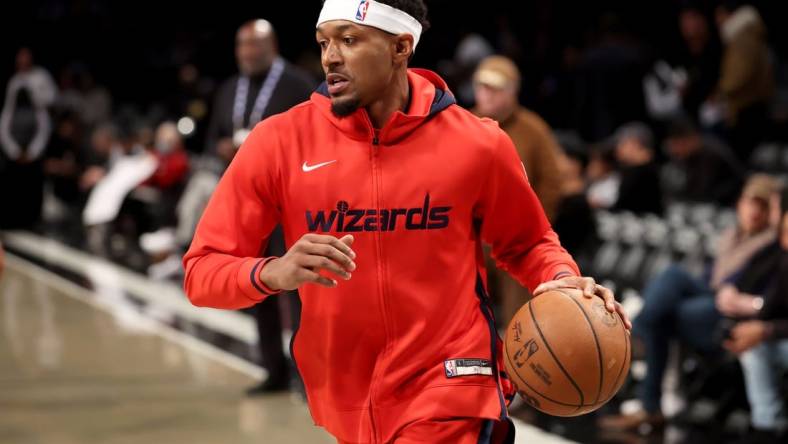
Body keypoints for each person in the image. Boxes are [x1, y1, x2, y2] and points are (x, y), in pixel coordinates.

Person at [183, 1, 631, 443]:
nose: (330, 57)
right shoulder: (279, 142)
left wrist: (561, 278)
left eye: (349, 39)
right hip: (344, 395)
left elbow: (529, 242)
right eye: (324, 42)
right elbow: (201, 272)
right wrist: (272, 272)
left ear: (400, 47)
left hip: (452, 384)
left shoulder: (478, 144)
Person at [600, 174, 780, 431]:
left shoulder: (771, 246)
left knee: (665, 310)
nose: (754, 211)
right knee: (670, 288)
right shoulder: (733, 236)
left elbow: (750, 291)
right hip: (711, 299)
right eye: (751, 203)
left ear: (771, 211)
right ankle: (649, 397)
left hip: (731, 313)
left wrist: (732, 296)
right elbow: (710, 278)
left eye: (762, 206)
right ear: (740, 204)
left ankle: (639, 338)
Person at [472, 55, 564, 328]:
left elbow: (551, 182)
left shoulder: (533, 130)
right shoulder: (462, 123)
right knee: (466, 312)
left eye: (495, 88)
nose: (487, 94)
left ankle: (516, 366)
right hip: (471, 234)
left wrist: (535, 228)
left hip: (514, 234)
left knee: (518, 320)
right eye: (482, 86)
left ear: (512, 91)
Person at [725, 190, 788, 443]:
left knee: (759, 341)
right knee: (753, 347)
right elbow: (772, 308)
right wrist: (750, 329)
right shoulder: (783, 257)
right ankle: (767, 426)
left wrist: (765, 330)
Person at [0, 48, 58, 229]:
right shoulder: (15, 81)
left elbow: (49, 105)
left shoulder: (41, 77)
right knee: (13, 185)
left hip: (34, 144)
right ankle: (12, 219)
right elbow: (7, 115)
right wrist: (13, 150)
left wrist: (32, 151)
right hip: (15, 146)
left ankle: (33, 221)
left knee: (33, 186)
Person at [712, 2, 774, 160]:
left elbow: (741, 73)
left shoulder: (742, 36)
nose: (717, 20)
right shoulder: (746, 32)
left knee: (746, 154)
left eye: (719, 15)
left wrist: (721, 90)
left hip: (746, 104)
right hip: (751, 101)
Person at [662, 115, 743, 206]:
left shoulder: (710, 153)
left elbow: (701, 191)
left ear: (688, 139)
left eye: (677, 146)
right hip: (711, 200)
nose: (676, 153)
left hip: (730, 201)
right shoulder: (692, 153)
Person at [611, 122, 663, 215]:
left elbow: (623, 206)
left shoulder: (646, 172)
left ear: (635, 143)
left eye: (621, 144)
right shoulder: (634, 170)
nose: (617, 149)